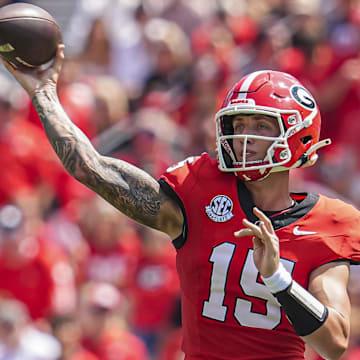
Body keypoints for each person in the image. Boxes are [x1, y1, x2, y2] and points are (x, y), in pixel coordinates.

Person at [2, 46, 360, 360]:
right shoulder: (199, 190)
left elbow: (334, 344)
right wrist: (44, 92)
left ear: (298, 134)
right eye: (239, 124)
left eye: (261, 126)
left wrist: (277, 277)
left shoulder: (328, 221)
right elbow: (92, 167)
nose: (245, 137)